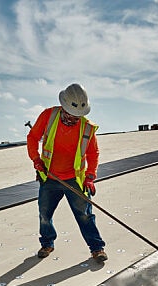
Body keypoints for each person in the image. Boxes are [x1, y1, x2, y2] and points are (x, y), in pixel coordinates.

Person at [27, 83, 107, 262]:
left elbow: (93, 153)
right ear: (63, 106)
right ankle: (47, 243)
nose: (74, 118)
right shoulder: (49, 116)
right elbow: (32, 137)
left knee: (85, 215)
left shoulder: (87, 128)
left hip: (74, 179)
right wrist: (36, 159)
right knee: (44, 213)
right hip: (50, 177)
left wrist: (90, 177)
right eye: (71, 114)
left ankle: (97, 248)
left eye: (78, 116)